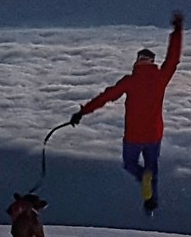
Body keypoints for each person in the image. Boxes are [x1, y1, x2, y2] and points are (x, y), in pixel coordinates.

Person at [72, 11, 183, 213]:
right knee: (152, 168)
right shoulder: (160, 78)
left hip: (133, 135)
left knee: (130, 164)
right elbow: (173, 59)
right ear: (152, 61)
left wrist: (82, 113)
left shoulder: (129, 81)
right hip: (154, 134)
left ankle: (142, 178)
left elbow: (105, 97)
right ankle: (151, 203)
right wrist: (177, 31)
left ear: (138, 61)